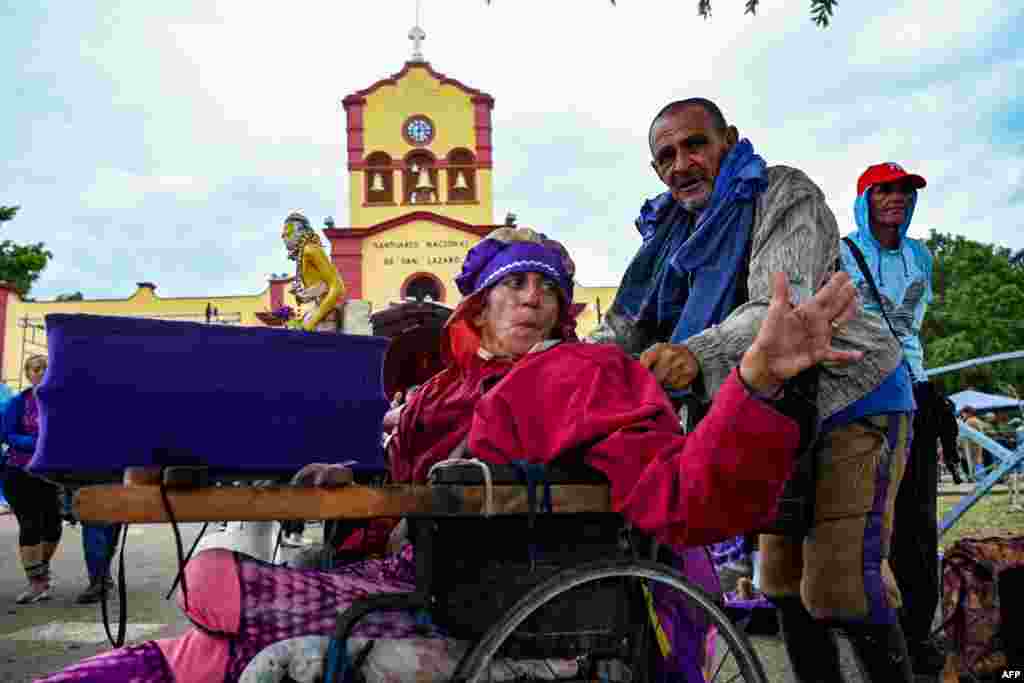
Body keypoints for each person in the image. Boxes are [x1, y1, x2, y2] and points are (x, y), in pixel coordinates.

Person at [40, 228, 863, 683]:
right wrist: (360, 478)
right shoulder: (436, 394)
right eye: (514, 284)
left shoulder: (585, 373)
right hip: (419, 563)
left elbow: (685, 497)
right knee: (210, 586)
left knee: (216, 610)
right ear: (475, 305)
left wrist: (754, 379)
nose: (532, 298)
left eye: (546, 287)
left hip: (496, 591)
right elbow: (408, 484)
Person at [589, 98, 914, 681]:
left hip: (850, 395)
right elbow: (623, 326)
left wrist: (694, 354)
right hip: (770, 409)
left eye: (695, 145)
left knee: (840, 582)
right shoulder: (668, 232)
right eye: (666, 156)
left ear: (729, 139)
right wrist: (560, 362)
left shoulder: (783, 192)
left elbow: (776, 309)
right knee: (781, 581)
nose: (681, 164)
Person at [840, 161, 960, 674]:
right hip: (864, 396)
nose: (897, 198)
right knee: (868, 521)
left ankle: (915, 635)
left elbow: (914, 327)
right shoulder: (843, 253)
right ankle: (871, 635)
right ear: (865, 199)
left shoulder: (921, 256)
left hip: (914, 390)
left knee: (918, 524)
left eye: (906, 191)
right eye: (884, 190)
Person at [4, 354, 64, 604]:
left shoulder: (62, 401)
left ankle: (41, 571)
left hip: (53, 474)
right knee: (30, 524)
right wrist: (33, 443)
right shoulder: (20, 401)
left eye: (45, 369)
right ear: (28, 373)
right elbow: (6, 433)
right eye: (36, 369)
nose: (40, 373)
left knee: (53, 527)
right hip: (20, 472)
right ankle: (36, 582)